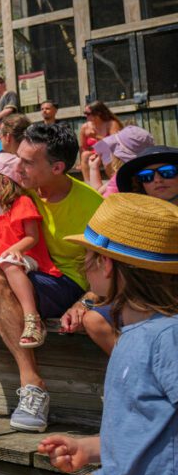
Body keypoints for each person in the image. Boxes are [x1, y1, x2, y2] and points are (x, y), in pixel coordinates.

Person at [38, 194, 178, 475]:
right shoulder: (132, 334)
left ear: (106, 265)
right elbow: (147, 428)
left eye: (85, 259)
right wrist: (89, 448)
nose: (83, 269)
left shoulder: (167, 337)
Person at [0, 123, 101, 432]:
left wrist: (83, 304)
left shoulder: (93, 206)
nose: (18, 166)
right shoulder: (20, 189)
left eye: (28, 162)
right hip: (21, 273)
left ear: (58, 167)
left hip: (66, 283)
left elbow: (111, 272)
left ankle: (33, 387)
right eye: (18, 157)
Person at [73, 145, 178, 355]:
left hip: (165, 297)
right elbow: (113, 267)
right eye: (147, 176)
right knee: (94, 319)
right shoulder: (135, 220)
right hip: (143, 294)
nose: (157, 180)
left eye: (167, 172)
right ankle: (136, 366)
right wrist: (83, 302)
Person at [0, 153, 60, 350]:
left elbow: (32, 237)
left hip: (25, 258)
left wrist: (13, 250)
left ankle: (33, 318)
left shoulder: (22, 203)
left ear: (2, 180)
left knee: (9, 263)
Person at [86, 125, 154, 195]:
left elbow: (97, 196)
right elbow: (99, 191)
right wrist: (94, 168)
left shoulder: (119, 179)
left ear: (118, 156)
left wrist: (93, 168)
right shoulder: (153, 175)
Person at [79, 100, 123, 184]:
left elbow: (116, 143)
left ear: (98, 113)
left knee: (106, 154)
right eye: (84, 113)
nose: (85, 116)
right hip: (95, 152)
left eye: (88, 113)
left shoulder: (111, 124)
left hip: (110, 151)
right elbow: (84, 147)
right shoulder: (85, 127)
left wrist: (96, 137)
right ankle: (89, 184)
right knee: (84, 155)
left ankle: (115, 182)